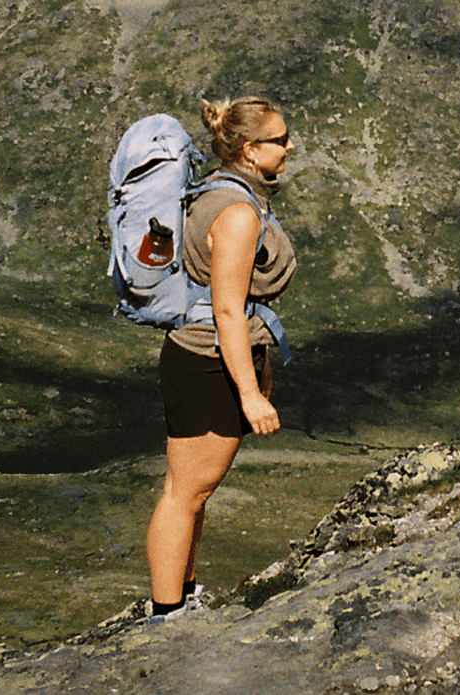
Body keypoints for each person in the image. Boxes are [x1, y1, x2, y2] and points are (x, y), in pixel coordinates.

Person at [144, 96, 297, 618]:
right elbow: (228, 310)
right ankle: (166, 615)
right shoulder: (236, 214)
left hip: (203, 356)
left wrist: (258, 366)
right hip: (208, 362)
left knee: (191, 492)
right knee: (184, 493)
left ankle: (181, 598)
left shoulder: (219, 191)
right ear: (250, 150)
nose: (289, 147)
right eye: (280, 140)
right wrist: (249, 394)